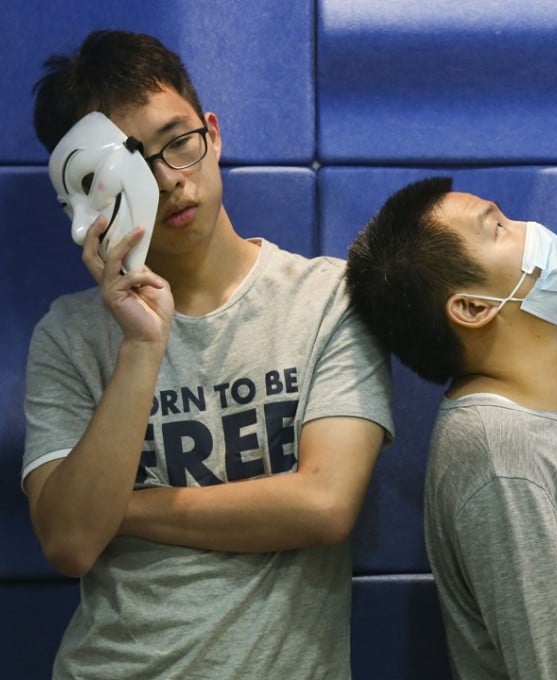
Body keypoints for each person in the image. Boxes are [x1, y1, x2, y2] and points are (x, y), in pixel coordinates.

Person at [22, 29, 393, 679]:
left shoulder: (328, 299)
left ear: (212, 134)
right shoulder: (68, 336)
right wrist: (142, 346)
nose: (169, 181)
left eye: (179, 144)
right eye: (132, 167)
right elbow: (72, 541)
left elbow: (325, 505)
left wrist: (124, 508)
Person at [345, 176, 557, 679]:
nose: (533, 230)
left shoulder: (519, 430)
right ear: (472, 307)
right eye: (500, 228)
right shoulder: (497, 454)